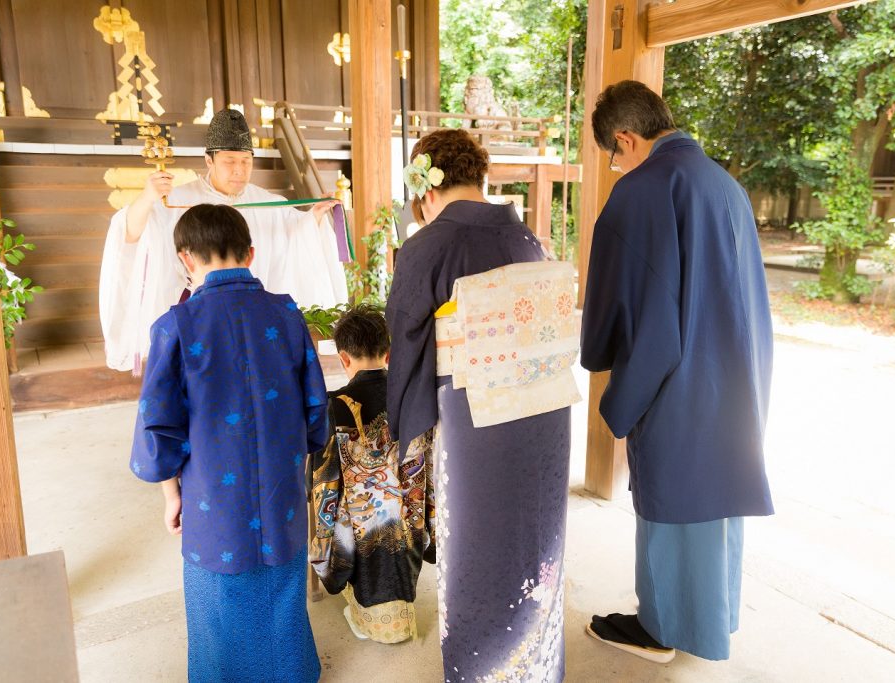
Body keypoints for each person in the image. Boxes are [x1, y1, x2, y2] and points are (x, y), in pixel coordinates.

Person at [580, 80, 774, 663]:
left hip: (682, 375)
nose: (618, 167)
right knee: (718, 491)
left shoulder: (644, 191)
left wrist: (607, 372)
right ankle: (711, 617)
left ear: (625, 138)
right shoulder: (724, 183)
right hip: (737, 370)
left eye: (614, 157)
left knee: (674, 494)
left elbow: (632, 307)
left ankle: (663, 628)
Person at [386, 128, 575, 682]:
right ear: (478, 177)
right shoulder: (526, 235)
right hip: (545, 412)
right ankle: (537, 669)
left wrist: (405, 428)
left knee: (478, 548)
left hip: (477, 420)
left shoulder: (426, 246)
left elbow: (406, 339)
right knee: (536, 539)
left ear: (425, 187)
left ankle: (483, 671)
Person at [129, 203, 327, 682]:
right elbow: (315, 404)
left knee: (217, 591)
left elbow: (158, 423)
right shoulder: (284, 314)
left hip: (212, 494)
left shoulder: (176, 326)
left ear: (185, 259)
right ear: (251, 254)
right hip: (281, 487)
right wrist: (308, 452)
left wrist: (170, 494)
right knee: (281, 581)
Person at [99, 108, 347, 372]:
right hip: (200, 315)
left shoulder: (269, 202)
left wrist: (314, 218)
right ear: (209, 160)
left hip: (254, 315)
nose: (239, 170)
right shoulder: (177, 201)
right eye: (230, 161)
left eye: (246, 161)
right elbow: (129, 234)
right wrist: (148, 197)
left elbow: (296, 238)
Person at [309, 304, 433, 644]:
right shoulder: (414, 399)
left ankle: (365, 617)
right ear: (389, 353)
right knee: (402, 514)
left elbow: (323, 483)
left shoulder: (334, 406)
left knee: (347, 518)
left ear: (344, 358)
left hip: (364, 525)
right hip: (409, 516)